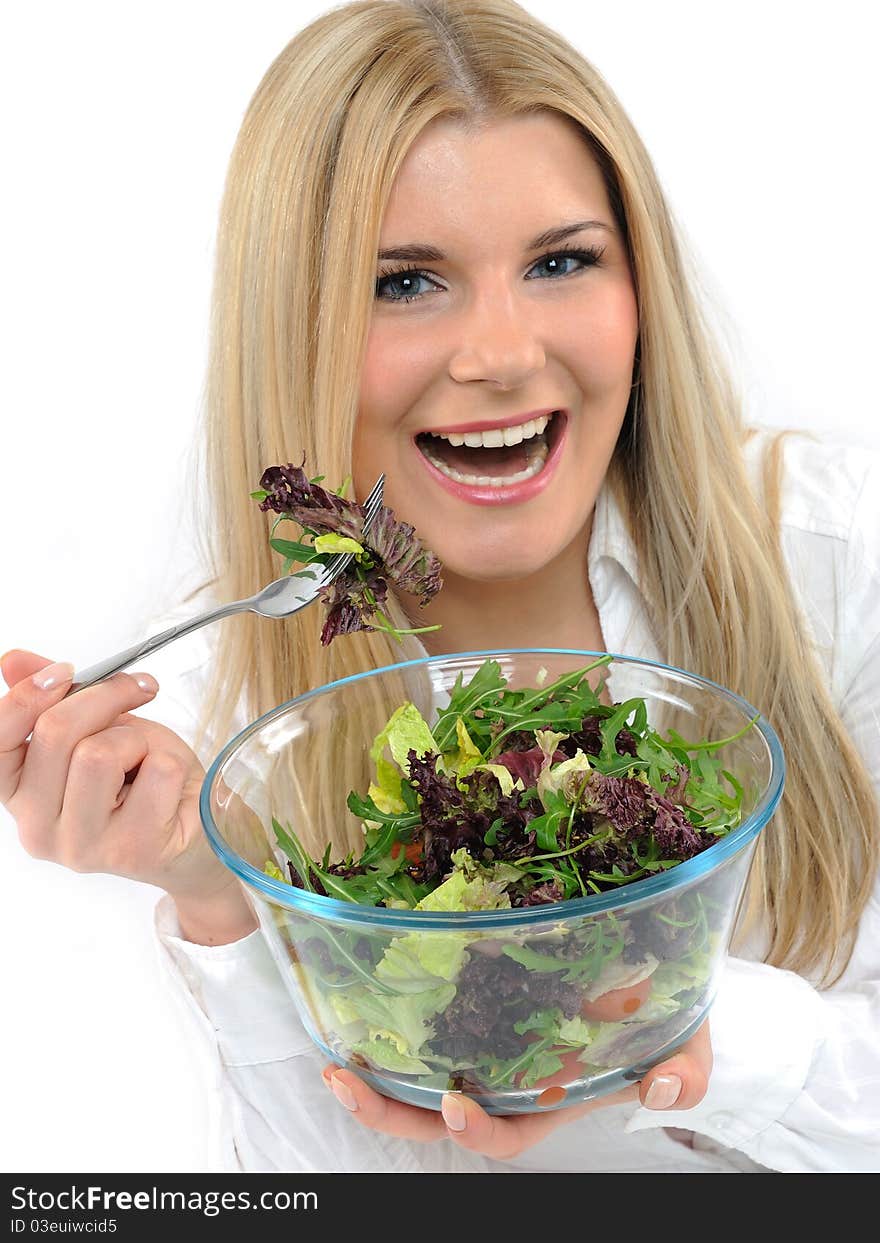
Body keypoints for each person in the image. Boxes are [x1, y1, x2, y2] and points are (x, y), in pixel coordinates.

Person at [2, 0, 878, 1173]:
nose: (505, 354)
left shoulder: (831, 555)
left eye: (561, 261)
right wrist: (222, 902)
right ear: (294, 324)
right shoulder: (209, 724)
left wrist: (703, 1035)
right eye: (406, 284)